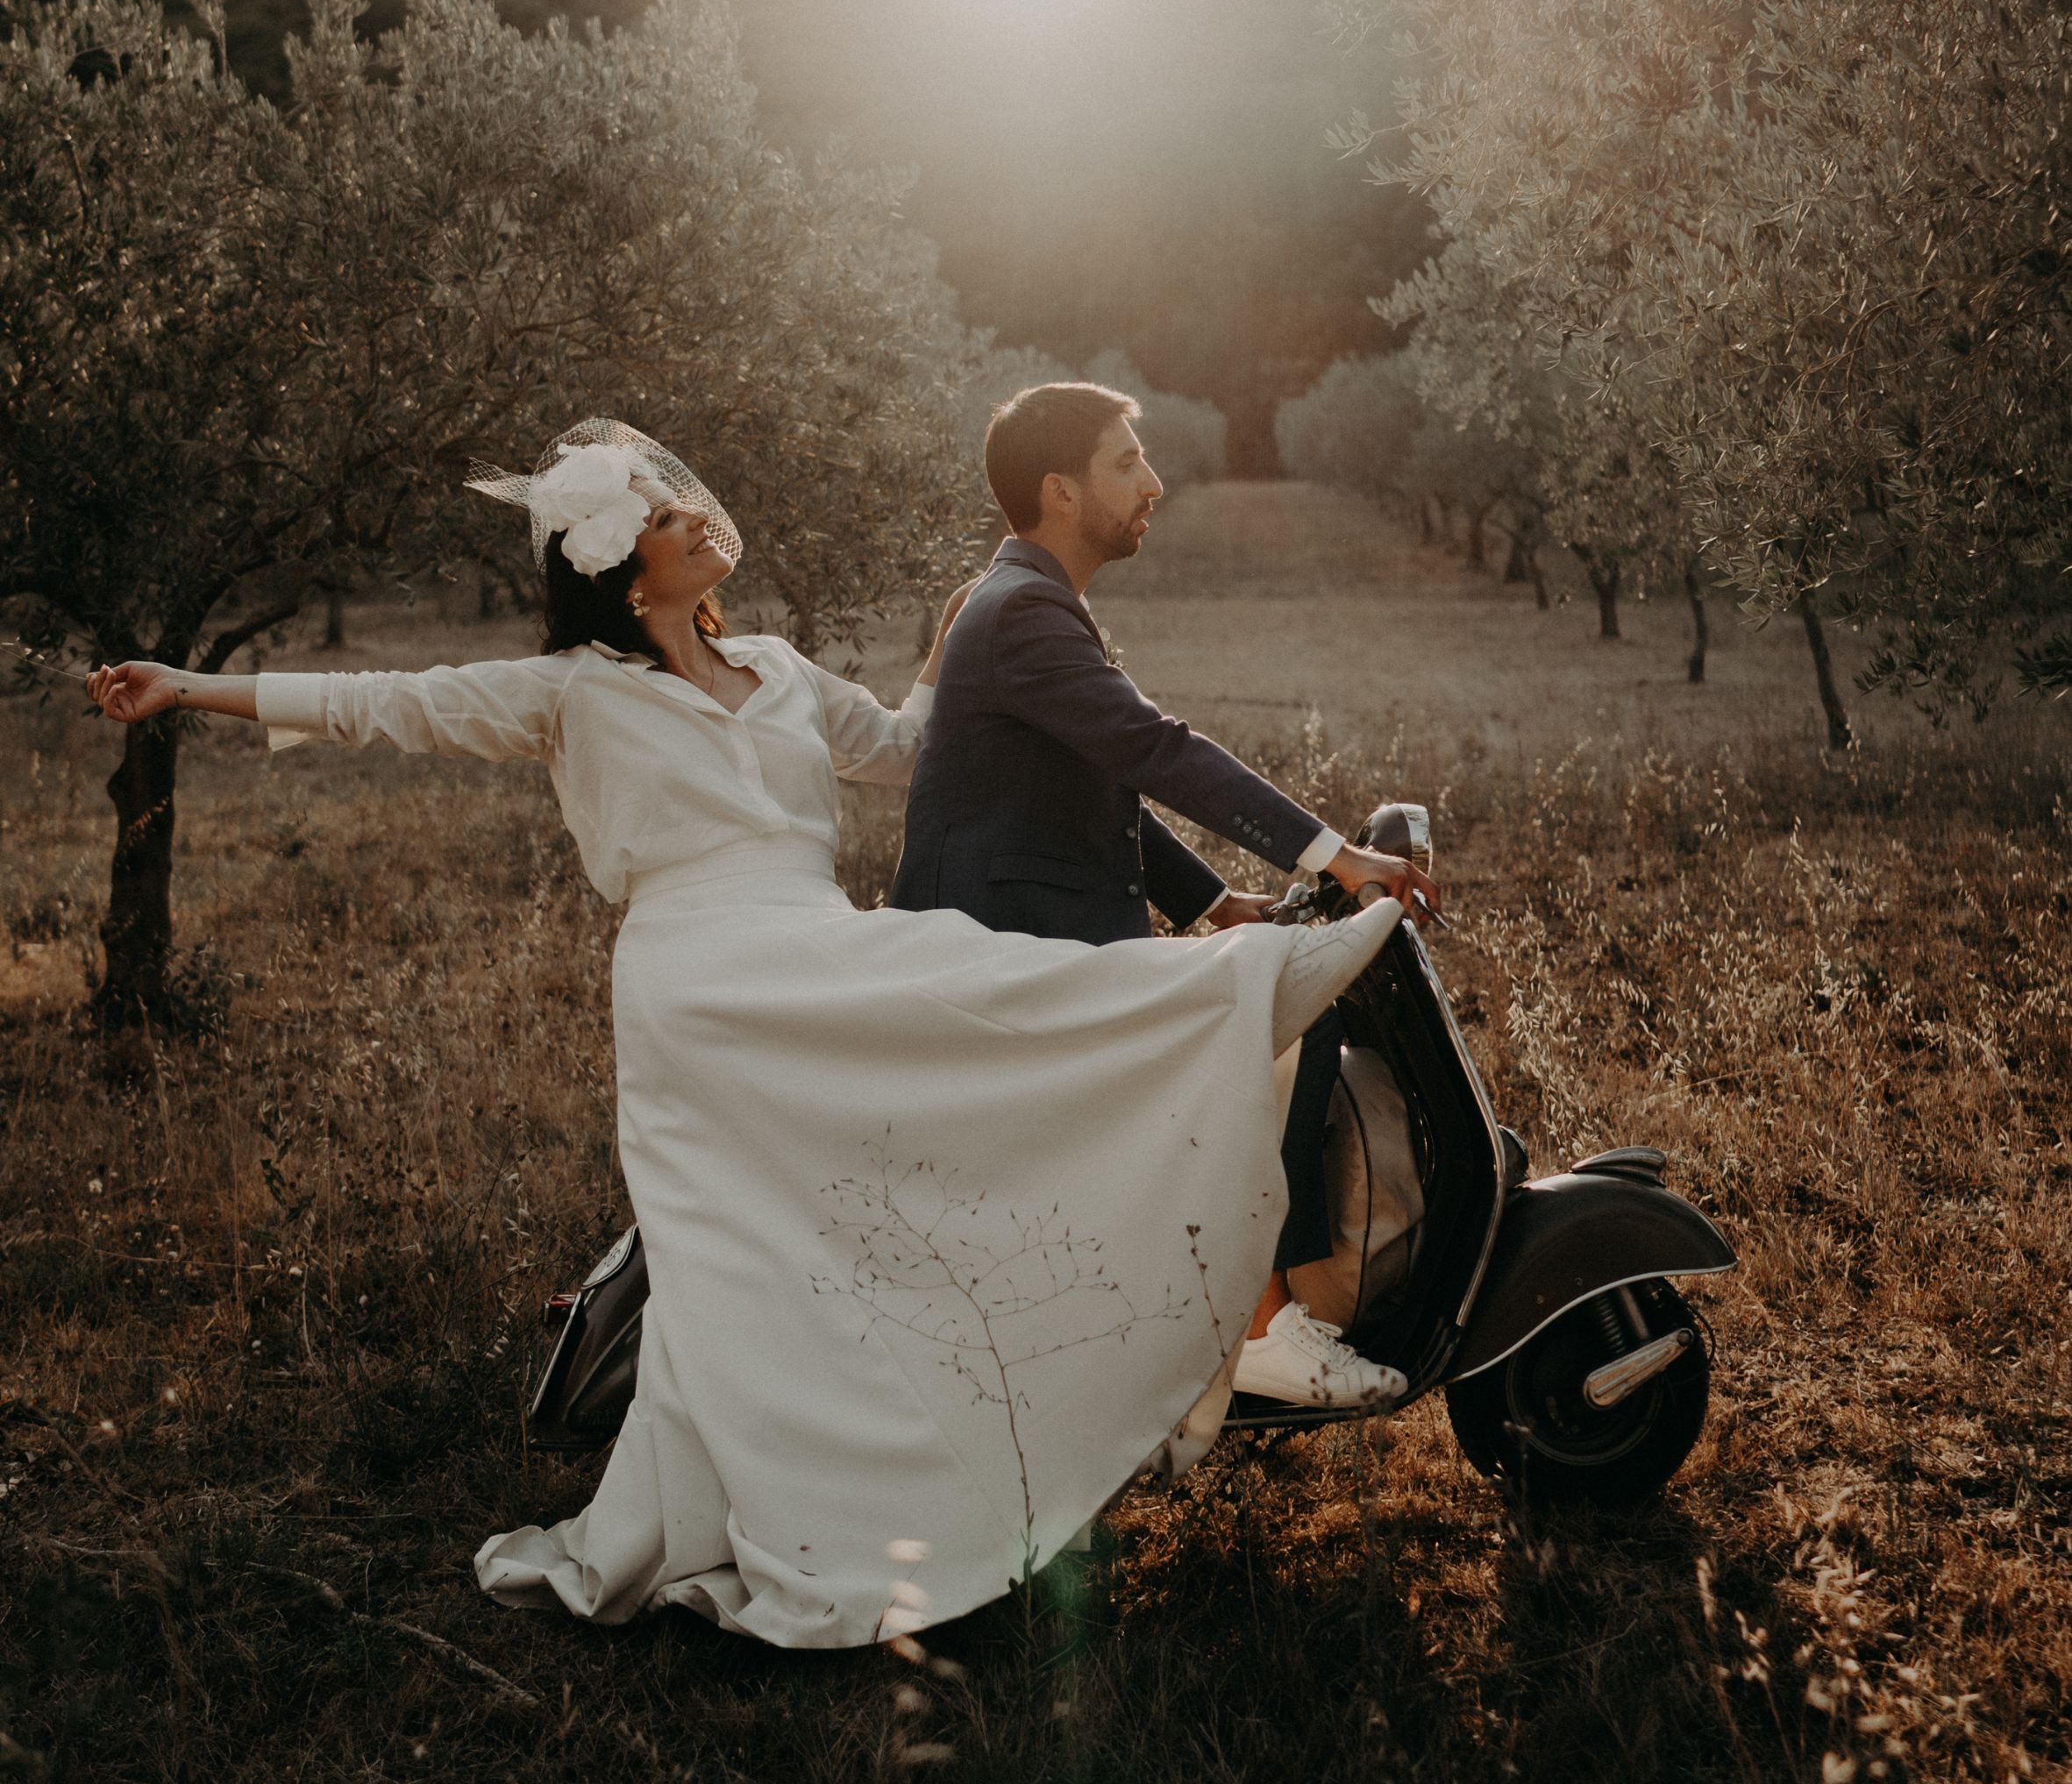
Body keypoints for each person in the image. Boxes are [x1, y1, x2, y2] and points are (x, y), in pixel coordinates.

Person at [87, 419, 1427, 1653]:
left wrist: (947, 648)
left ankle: (1225, 1007)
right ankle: (1246, 985)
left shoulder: (778, 670)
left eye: (681, 499)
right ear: (626, 575)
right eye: (667, 514)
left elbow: (906, 740)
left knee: (954, 1019)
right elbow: (394, 699)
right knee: (911, 1054)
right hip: (700, 981)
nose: (696, 512)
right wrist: (190, 687)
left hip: (808, 939)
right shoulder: (568, 691)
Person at [892, 382, 1431, 1411]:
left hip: (1033, 950)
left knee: (1263, 1001)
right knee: (1275, 1017)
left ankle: (1240, 1314)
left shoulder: (1026, 603)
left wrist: (1211, 904)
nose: (1155, 482)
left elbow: (1096, 781)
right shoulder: (1023, 614)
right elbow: (1152, 750)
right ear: (1058, 490)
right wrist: (1333, 859)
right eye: (1126, 462)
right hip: (1008, 967)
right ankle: (1271, 1330)